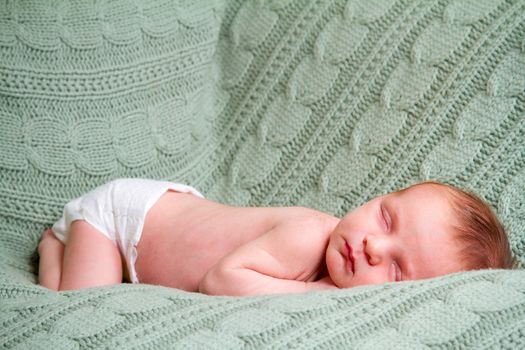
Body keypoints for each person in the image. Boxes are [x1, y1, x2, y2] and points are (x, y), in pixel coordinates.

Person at [37, 178, 515, 296]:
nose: (372, 245)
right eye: (386, 220)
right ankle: (53, 245)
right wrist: (313, 293)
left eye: (395, 268)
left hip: (167, 228)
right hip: (128, 221)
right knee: (83, 301)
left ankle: (61, 243)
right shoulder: (309, 235)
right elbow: (221, 280)